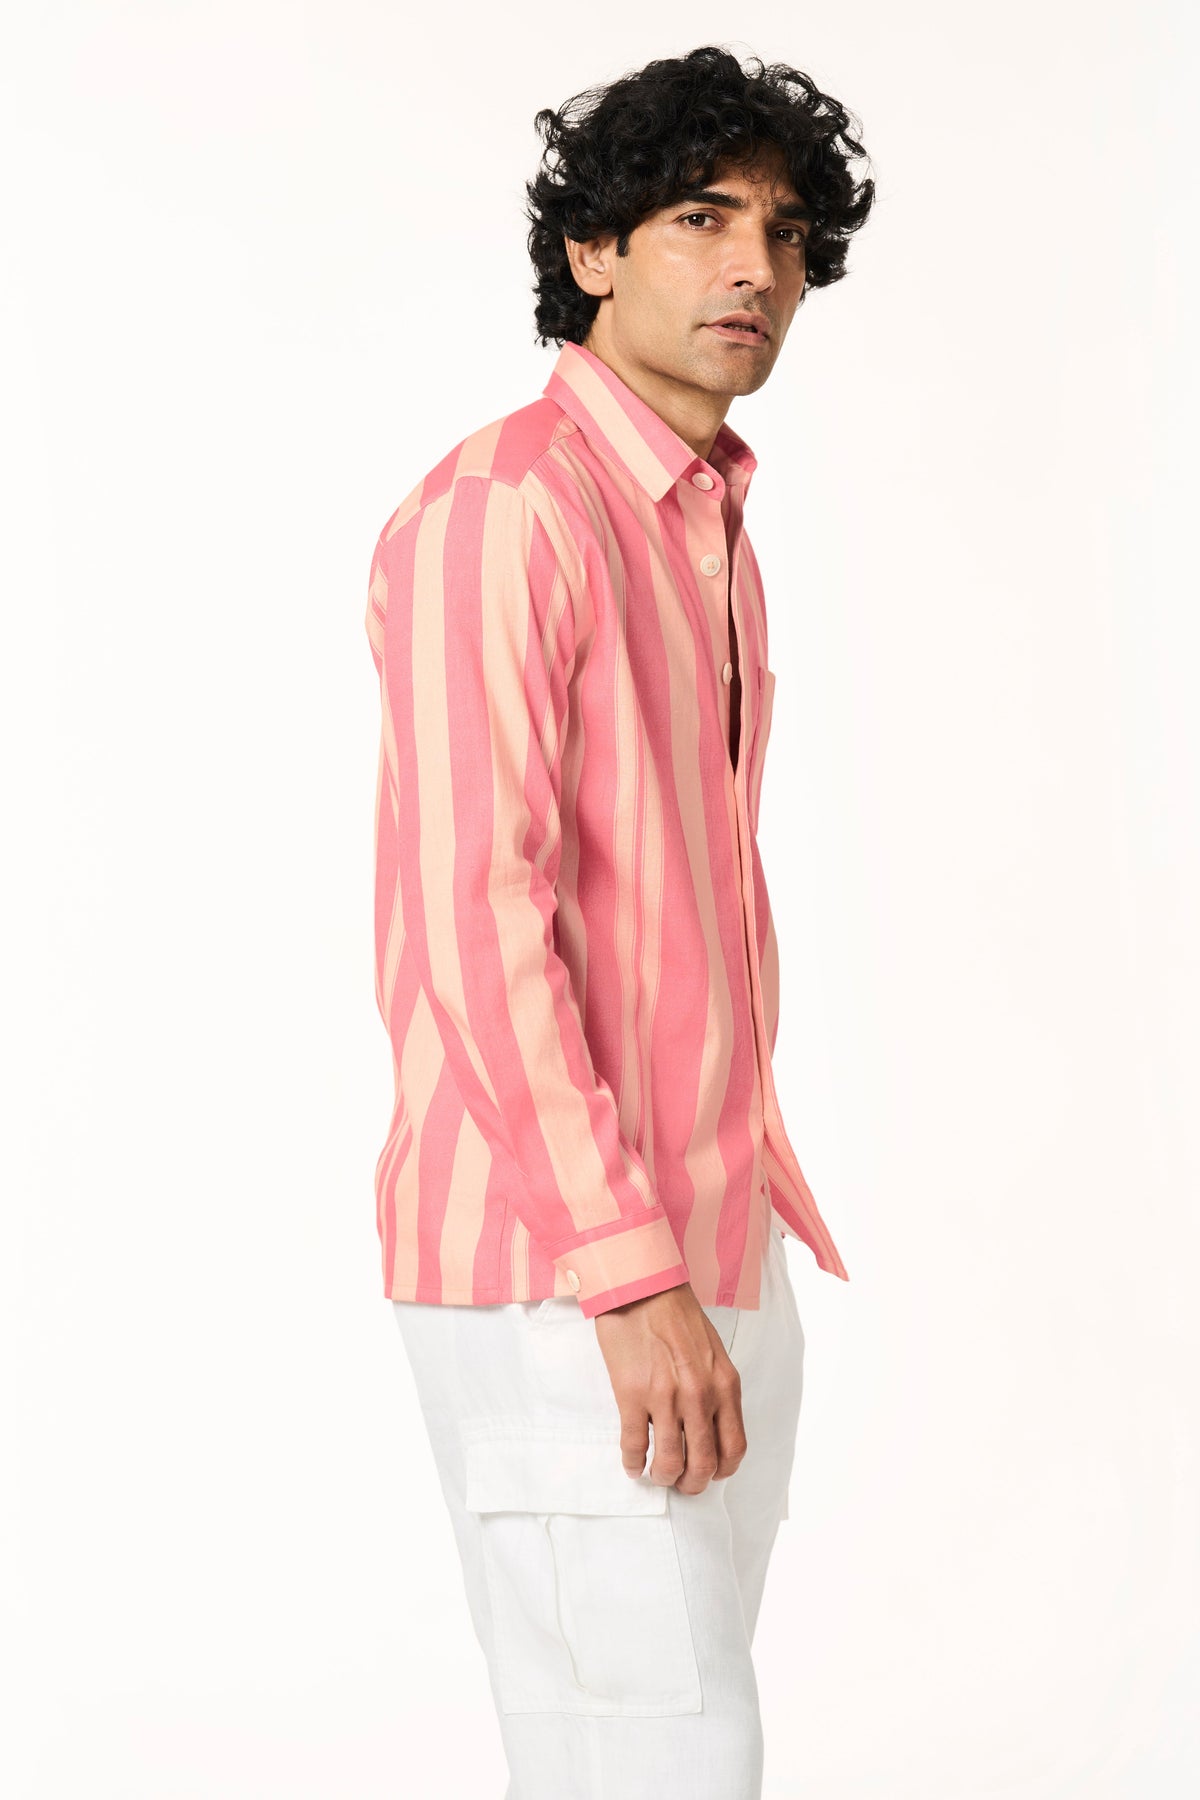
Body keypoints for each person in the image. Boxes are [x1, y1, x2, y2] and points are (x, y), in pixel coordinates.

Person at [363, 43, 874, 1800]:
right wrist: (630, 1273)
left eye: (787, 234)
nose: (755, 268)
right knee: (654, 1766)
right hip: (566, 1270)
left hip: (714, 1244)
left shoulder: (708, 525)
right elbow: (476, 916)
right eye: (700, 220)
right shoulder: (503, 512)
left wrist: (723, 1253)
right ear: (592, 251)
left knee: (666, 1753)